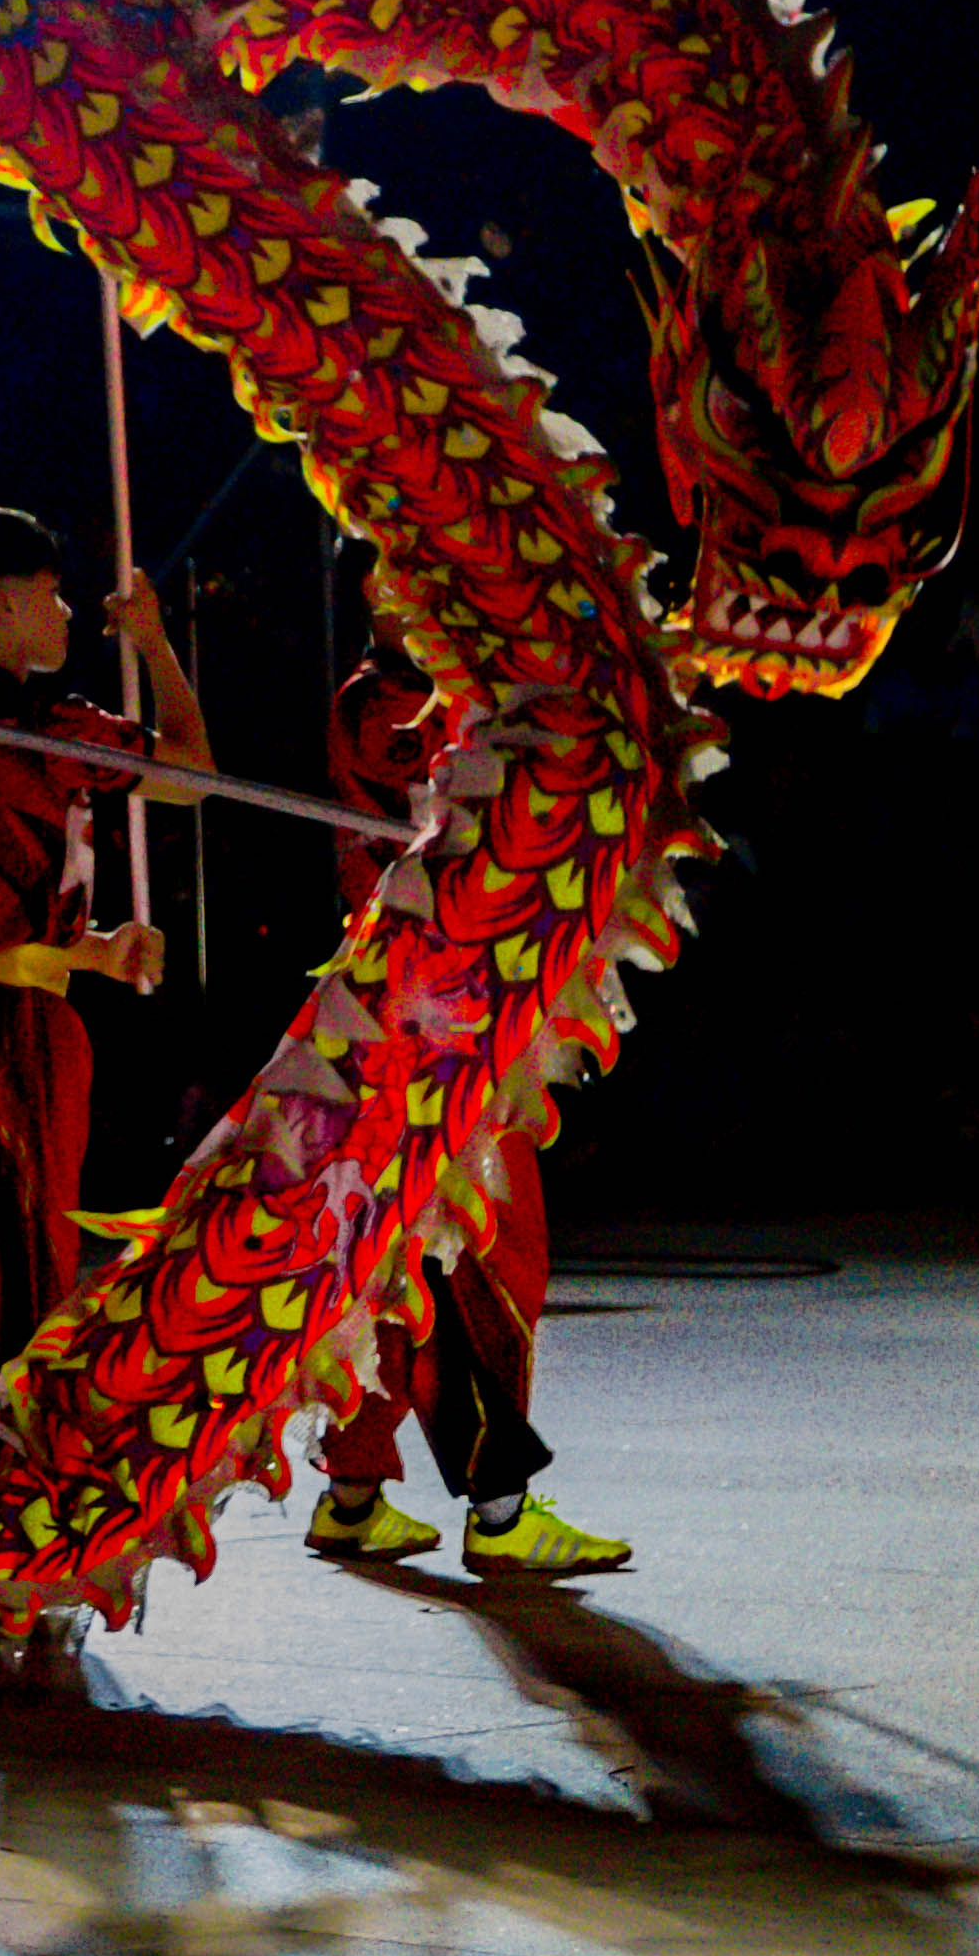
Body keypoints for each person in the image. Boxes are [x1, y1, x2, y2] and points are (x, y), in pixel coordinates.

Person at [300, 639, 628, 1576]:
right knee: (492, 1252)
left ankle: (354, 1491)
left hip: (444, 1003)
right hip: (430, 1016)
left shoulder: (441, 690)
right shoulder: (390, 703)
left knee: (410, 1259)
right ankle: (498, 1505)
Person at [0, 508, 208, 1408]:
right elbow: (192, 770)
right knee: (16, 1275)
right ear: (8, 603)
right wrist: (154, 646)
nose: (66, 615)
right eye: (55, 595)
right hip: (10, 1041)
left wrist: (92, 954)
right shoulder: (46, 729)